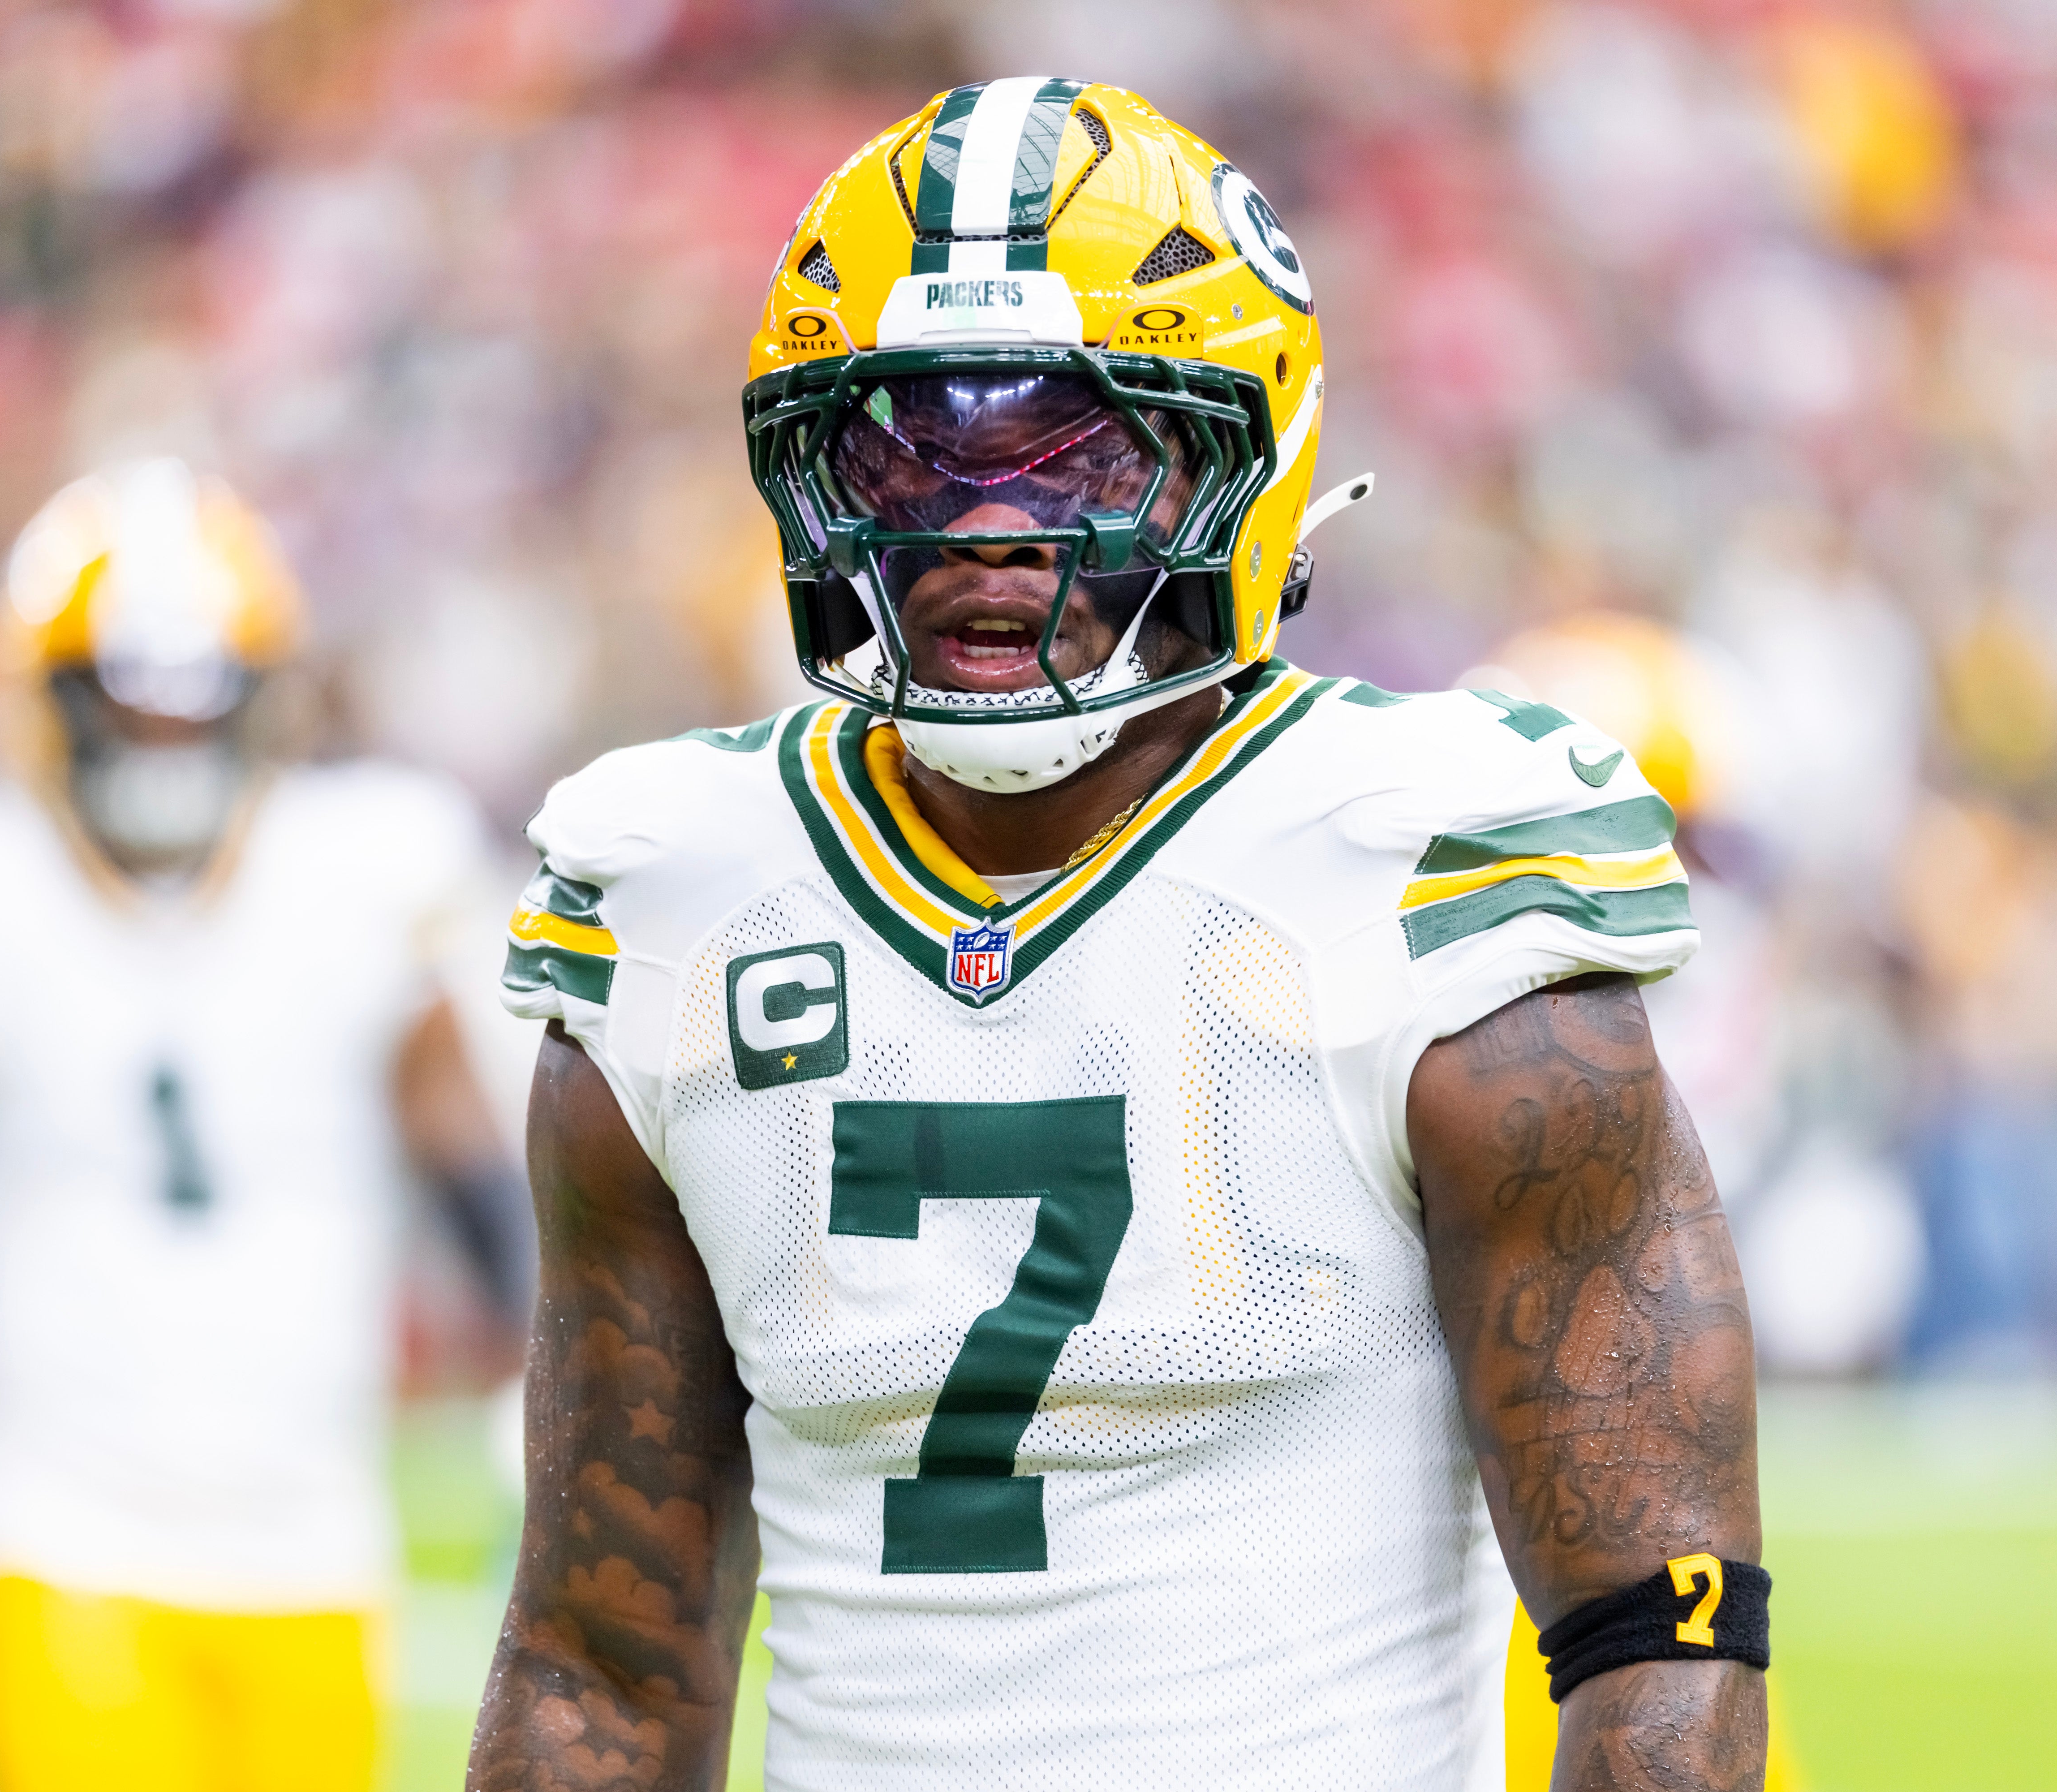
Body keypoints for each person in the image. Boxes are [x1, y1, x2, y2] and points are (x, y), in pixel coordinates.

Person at [469, 79, 1766, 1792]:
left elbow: (1653, 1638)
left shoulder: (1419, 874)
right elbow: (604, 1669)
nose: (984, 529)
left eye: (1079, 454)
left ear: (1249, 461)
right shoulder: (676, 902)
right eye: (903, 448)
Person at [0, 459, 533, 1792]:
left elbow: (484, 1188)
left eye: (196, 711)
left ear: (264, 702)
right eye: (128, 709)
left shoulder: (363, 874)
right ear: (45, 707)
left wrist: (545, 1391)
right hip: (65, 1541)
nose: (166, 750)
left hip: (315, 1543)